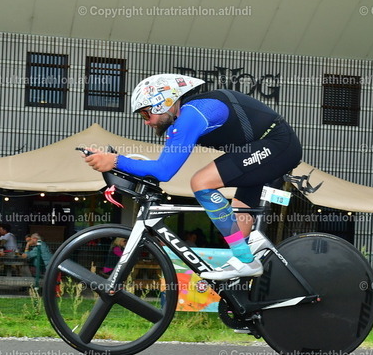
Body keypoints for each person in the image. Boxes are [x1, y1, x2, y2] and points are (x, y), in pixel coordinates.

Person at [84, 74, 302, 281]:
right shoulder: (182, 119)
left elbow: (164, 171)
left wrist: (115, 161)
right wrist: (114, 161)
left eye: (146, 114)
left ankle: (246, 261)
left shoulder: (192, 116)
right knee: (238, 215)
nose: (146, 122)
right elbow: (160, 165)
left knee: (201, 182)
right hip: (261, 148)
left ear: (163, 103)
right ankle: (241, 282)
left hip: (277, 145)